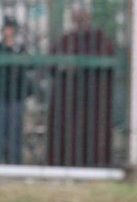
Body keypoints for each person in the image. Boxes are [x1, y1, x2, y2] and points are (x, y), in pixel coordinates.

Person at [47, 5, 114, 167]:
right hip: (68, 100)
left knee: (93, 135)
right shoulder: (67, 39)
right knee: (68, 136)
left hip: (94, 100)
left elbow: (107, 62)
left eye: (83, 17)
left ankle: (95, 165)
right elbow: (53, 62)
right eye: (78, 17)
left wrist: (79, 65)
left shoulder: (100, 39)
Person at [0, 17, 29, 165]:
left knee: (15, 135)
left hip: (15, 98)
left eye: (10, 28)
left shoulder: (20, 49)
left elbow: (25, 69)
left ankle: (15, 164)